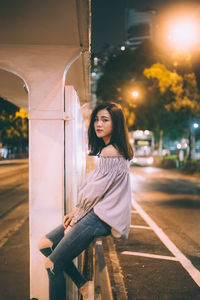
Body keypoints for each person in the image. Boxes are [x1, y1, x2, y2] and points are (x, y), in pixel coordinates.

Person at [38, 102, 134, 300]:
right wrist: (76, 212)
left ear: (115, 124)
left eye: (105, 120)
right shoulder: (113, 151)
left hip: (99, 217)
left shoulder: (111, 152)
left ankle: (82, 284)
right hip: (94, 213)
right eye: (97, 119)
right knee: (45, 244)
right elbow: (97, 190)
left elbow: (95, 191)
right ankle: (83, 284)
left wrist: (76, 218)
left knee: (53, 265)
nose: (98, 124)